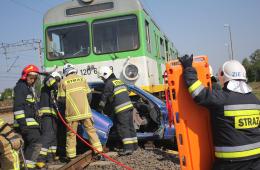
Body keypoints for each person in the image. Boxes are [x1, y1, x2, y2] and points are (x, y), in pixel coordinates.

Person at [179, 55, 260, 170]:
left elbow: (198, 93)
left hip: (231, 164)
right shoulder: (255, 101)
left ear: (223, 76)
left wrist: (188, 68)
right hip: (256, 161)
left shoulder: (222, 98)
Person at [57, 63, 103, 161]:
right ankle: (99, 153)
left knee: (71, 134)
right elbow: (89, 95)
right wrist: (86, 106)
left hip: (71, 114)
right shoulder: (82, 79)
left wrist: (65, 110)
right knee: (91, 131)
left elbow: (61, 100)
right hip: (85, 111)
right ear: (74, 70)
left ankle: (71, 156)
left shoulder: (63, 82)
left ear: (65, 72)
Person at [97, 66, 138, 156]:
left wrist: (99, 110)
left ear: (105, 75)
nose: (102, 80)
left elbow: (104, 97)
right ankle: (134, 146)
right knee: (130, 126)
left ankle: (128, 149)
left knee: (123, 127)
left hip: (121, 108)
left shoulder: (109, 83)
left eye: (102, 78)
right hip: (129, 107)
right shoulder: (119, 81)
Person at [13, 64, 42, 169]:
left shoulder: (27, 88)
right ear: (25, 76)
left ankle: (24, 166)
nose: (33, 80)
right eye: (31, 77)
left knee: (28, 146)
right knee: (36, 143)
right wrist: (23, 125)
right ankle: (28, 167)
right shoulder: (21, 87)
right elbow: (18, 108)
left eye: (35, 78)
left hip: (29, 124)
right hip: (26, 124)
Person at [37, 71, 62, 168]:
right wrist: (52, 78)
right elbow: (48, 80)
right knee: (48, 136)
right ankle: (40, 159)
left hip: (52, 115)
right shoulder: (47, 85)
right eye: (58, 80)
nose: (58, 83)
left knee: (53, 137)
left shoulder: (52, 89)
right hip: (46, 115)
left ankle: (51, 157)